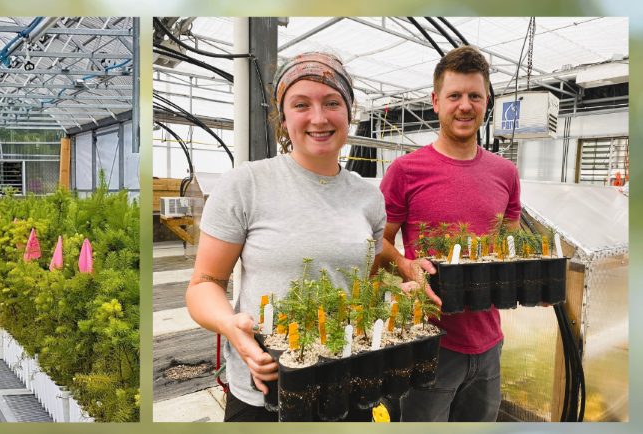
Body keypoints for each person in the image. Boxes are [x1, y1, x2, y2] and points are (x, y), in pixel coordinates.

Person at [185, 53, 387, 421]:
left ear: (349, 111)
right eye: (301, 104)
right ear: (283, 118)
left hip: (346, 382)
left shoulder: (369, 197)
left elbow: (360, 284)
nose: (319, 117)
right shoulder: (246, 184)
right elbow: (204, 283)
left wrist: (391, 295)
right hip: (267, 390)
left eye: (332, 103)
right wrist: (230, 325)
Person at [379, 45, 521, 422]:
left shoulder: (505, 173)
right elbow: (376, 242)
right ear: (436, 102)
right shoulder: (406, 171)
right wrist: (406, 268)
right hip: (428, 342)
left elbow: (512, 247)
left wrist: (528, 279)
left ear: (487, 101)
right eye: (454, 95)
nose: (465, 105)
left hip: (490, 343)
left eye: (474, 96)